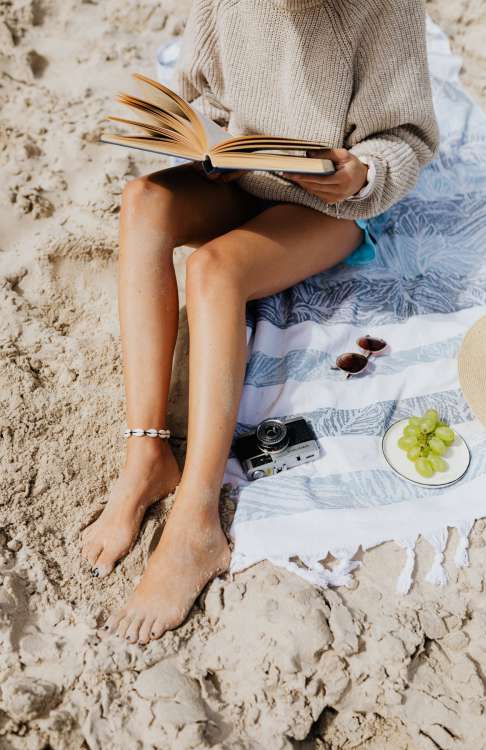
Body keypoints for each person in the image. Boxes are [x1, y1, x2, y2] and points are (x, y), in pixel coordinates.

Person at [81, 0, 439, 645]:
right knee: (143, 202)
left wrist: (365, 170)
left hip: (328, 208)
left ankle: (196, 518)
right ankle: (146, 456)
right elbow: (199, 97)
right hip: (242, 176)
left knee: (215, 271)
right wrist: (199, 139)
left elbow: (408, 139)